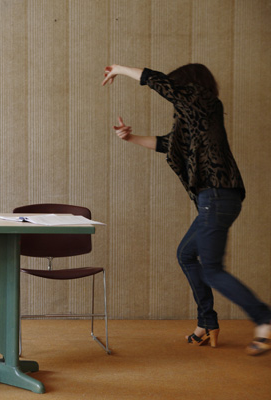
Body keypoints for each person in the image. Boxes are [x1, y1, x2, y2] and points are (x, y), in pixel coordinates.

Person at [101, 64, 271, 356]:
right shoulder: (197, 116)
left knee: (213, 270)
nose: (174, 94)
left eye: (177, 87)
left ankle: (264, 318)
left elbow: (160, 83)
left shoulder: (202, 100)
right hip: (215, 198)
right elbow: (170, 145)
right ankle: (207, 322)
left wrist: (119, 68)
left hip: (216, 196)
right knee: (186, 254)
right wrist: (130, 138)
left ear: (189, 86)